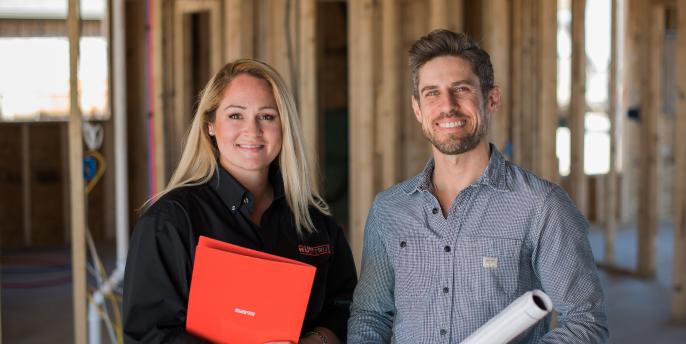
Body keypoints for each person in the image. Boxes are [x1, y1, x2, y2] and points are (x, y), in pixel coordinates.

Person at [347, 30, 608, 343]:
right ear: (418, 109)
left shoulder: (541, 205)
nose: (448, 106)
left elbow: (585, 322)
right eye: (432, 93)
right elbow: (370, 317)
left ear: (491, 98)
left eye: (461, 89)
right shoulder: (389, 209)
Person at [123, 59, 357, 343]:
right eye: (236, 115)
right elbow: (149, 334)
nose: (253, 130)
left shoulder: (316, 223)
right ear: (210, 125)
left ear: (284, 126)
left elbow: (347, 310)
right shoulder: (170, 222)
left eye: (267, 116)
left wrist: (316, 340)